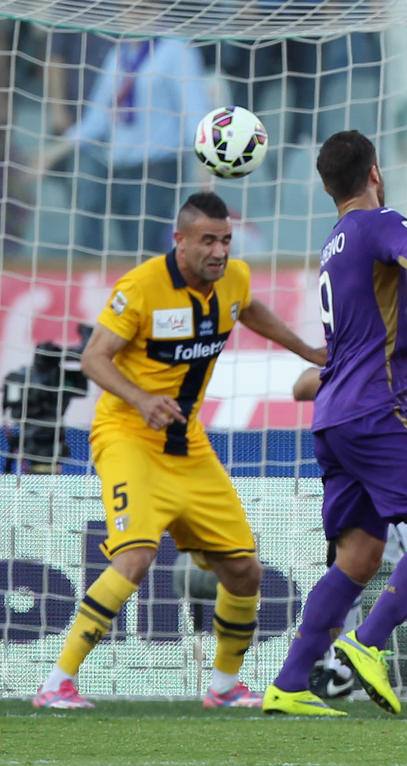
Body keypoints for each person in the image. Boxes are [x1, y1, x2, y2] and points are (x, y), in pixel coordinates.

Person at [31, 191, 325, 710]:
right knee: (137, 555)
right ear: (180, 240)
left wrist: (307, 350)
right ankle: (57, 682)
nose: (219, 251)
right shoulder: (140, 287)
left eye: (226, 240)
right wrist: (142, 399)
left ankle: (224, 685)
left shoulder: (232, 279)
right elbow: (93, 358)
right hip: (128, 436)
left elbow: (247, 308)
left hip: (187, 443)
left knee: (244, 569)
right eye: (208, 240)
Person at [262, 131, 407, 717]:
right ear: (375, 172)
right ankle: (367, 641)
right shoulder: (378, 224)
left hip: (332, 417)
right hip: (373, 410)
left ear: (328, 187)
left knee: (357, 556)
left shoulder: (336, 240)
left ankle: (289, 682)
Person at [35, 35, 212, 256]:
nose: (131, 9)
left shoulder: (176, 50)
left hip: (156, 171)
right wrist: (54, 151)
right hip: (117, 169)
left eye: (141, 5)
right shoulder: (119, 54)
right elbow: (98, 117)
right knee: (122, 252)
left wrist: (204, 161)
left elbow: (193, 111)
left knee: (144, 254)